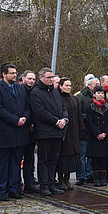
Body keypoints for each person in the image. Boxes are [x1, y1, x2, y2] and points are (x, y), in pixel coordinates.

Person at [0, 63, 31, 201]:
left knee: (16, 162)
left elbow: (27, 105)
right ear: (4, 74)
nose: (14, 75)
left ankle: (14, 188)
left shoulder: (20, 88)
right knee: (2, 163)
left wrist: (25, 117)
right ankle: (1, 189)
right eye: (12, 73)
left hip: (20, 132)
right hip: (5, 132)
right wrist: (15, 120)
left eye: (15, 72)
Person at [30, 68, 68, 196]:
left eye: (52, 77)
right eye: (49, 77)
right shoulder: (36, 92)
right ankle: (44, 185)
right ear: (41, 78)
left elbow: (63, 107)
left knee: (53, 159)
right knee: (43, 160)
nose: (51, 79)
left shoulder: (55, 92)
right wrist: (56, 121)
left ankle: (52, 183)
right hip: (44, 132)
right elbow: (40, 112)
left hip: (57, 131)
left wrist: (64, 119)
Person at [86, 86, 108, 186]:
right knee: (95, 160)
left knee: (104, 159)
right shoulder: (89, 107)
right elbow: (89, 122)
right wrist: (97, 133)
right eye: (98, 93)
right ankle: (96, 179)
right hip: (95, 137)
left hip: (105, 136)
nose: (100, 95)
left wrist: (105, 133)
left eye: (102, 93)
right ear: (94, 94)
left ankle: (103, 178)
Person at [57, 78, 83, 190]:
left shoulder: (74, 99)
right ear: (60, 86)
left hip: (74, 131)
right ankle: (61, 179)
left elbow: (78, 114)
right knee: (63, 156)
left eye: (70, 85)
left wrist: (81, 128)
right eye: (66, 85)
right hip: (64, 131)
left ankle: (67, 179)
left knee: (72, 156)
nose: (68, 87)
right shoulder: (58, 98)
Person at [76, 76, 98, 185]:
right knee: (82, 155)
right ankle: (81, 176)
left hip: (92, 130)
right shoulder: (81, 96)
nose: (97, 86)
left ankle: (89, 175)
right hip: (84, 129)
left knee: (90, 155)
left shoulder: (96, 96)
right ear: (89, 85)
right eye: (95, 84)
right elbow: (78, 113)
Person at [21, 70, 38, 193]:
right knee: (18, 158)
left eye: (33, 79)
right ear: (23, 79)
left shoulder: (35, 91)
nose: (31, 81)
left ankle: (29, 181)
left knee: (30, 157)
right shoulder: (20, 90)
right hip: (21, 127)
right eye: (29, 78)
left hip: (33, 130)